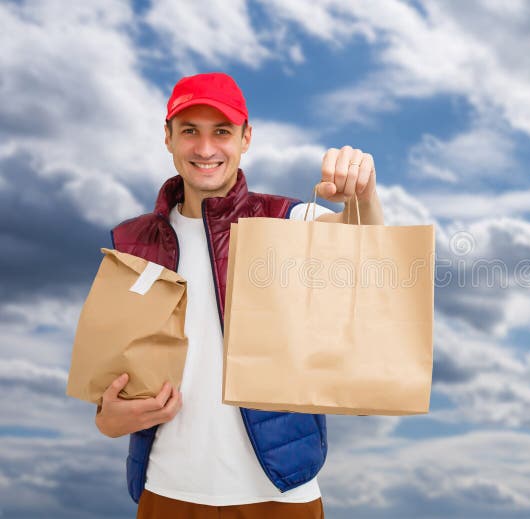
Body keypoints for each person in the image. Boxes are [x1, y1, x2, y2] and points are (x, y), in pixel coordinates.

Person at [93, 72, 384, 518]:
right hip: (166, 494)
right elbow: (109, 396)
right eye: (190, 131)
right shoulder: (131, 244)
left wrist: (363, 195)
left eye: (222, 132)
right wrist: (110, 420)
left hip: (281, 496)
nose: (206, 149)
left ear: (246, 138)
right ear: (167, 138)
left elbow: (367, 252)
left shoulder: (288, 220)